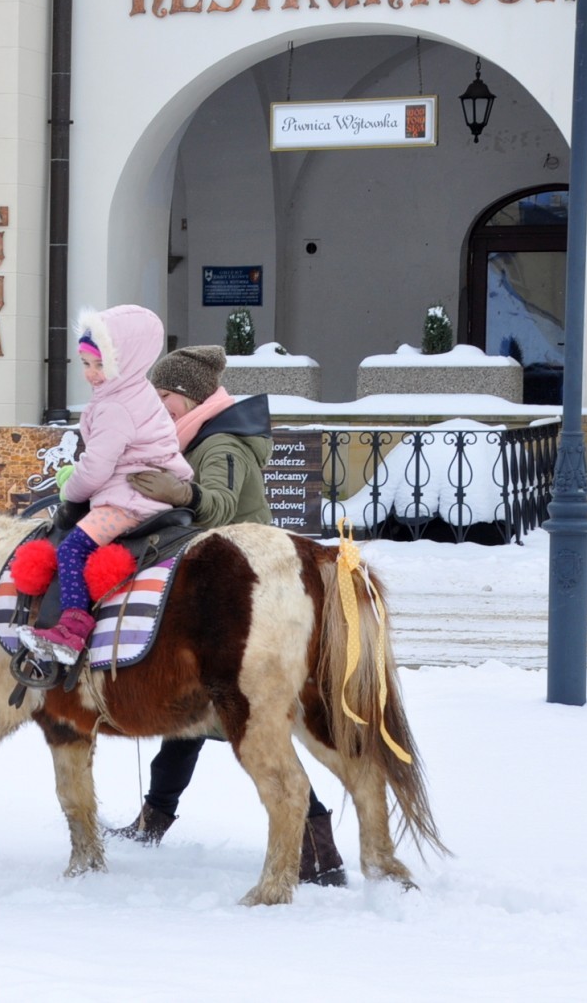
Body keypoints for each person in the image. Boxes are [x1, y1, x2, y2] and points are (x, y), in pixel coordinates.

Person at [117, 344, 347, 888]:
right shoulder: (199, 436)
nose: (160, 404)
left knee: (250, 728)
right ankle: (155, 818)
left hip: (240, 604)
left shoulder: (221, 444)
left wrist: (182, 492)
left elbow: (217, 505)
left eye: (166, 395)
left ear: (192, 396)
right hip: (215, 599)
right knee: (190, 715)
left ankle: (320, 847)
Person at [18, 305, 193, 664]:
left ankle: (71, 630)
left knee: (70, 549)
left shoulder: (117, 406)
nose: (92, 374)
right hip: (137, 486)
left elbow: (97, 467)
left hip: (130, 499)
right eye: (85, 363)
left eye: (100, 364)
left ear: (123, 362)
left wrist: (70, 491)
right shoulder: (130, 390)